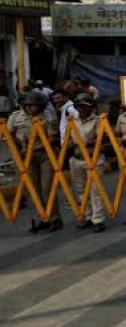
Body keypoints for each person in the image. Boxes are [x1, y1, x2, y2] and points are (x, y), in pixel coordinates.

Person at [8, 91, 61, 232]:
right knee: (34, 190)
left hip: (44, 155)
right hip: (25, 158)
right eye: (28, 105)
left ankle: (54, 217)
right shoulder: (15, 117)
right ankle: (43, 217)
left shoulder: (48, 117)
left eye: (34, 105)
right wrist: (19, 147)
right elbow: (8, 134)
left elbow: (51, 139)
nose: (31, 108)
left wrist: (32, 148)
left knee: (47, 188)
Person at [70, 93, 107, 232]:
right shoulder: (72, 121)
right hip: (77, 159)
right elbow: (69, 139)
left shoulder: (98, 121)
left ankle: (98, 219)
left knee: (95, 190)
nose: (82, 109)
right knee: (80, 190)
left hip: (94, 159)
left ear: (91, 108)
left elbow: (97, 138)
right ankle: (87, 216)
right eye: (79, 106)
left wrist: (87, 142)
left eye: (86, 107)